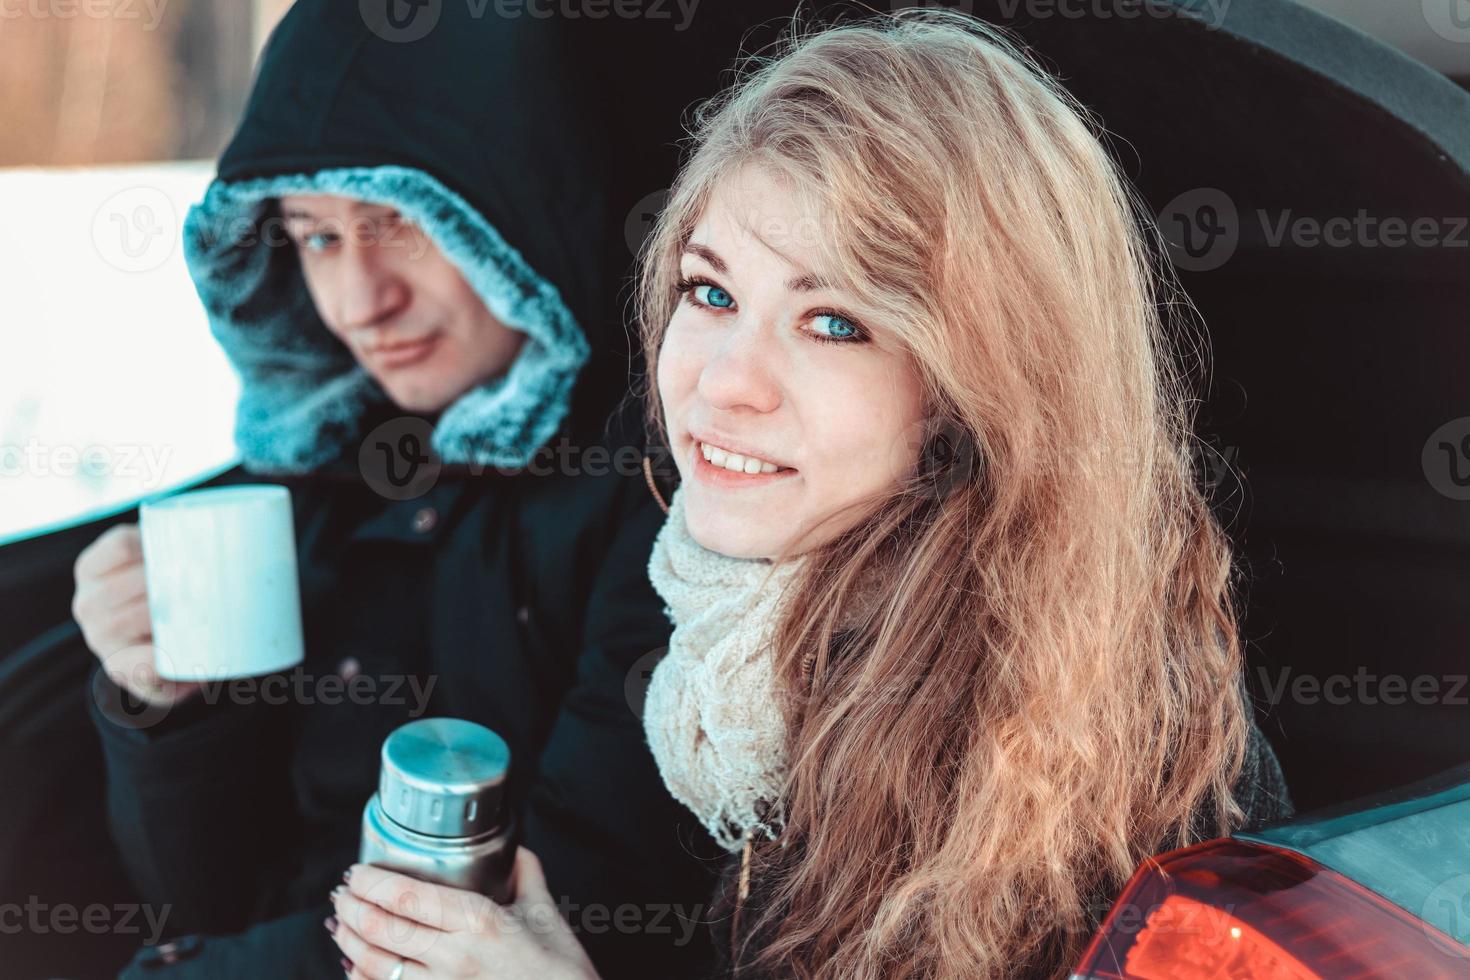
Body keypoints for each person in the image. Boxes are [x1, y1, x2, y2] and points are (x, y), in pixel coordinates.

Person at [318, 10, 1293, 979]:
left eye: (832, 321)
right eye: (712, 293)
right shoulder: (737, 640)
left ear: (979, 386)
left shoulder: (1097, 761)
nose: (726, 379)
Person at [68, 2, 721, 976]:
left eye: (396, 222)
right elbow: (204, 900)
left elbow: (566, 913)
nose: (360, 299)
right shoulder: (323, 477)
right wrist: (168, 705)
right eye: (317, 238)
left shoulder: (665, 495)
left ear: (514, 208)